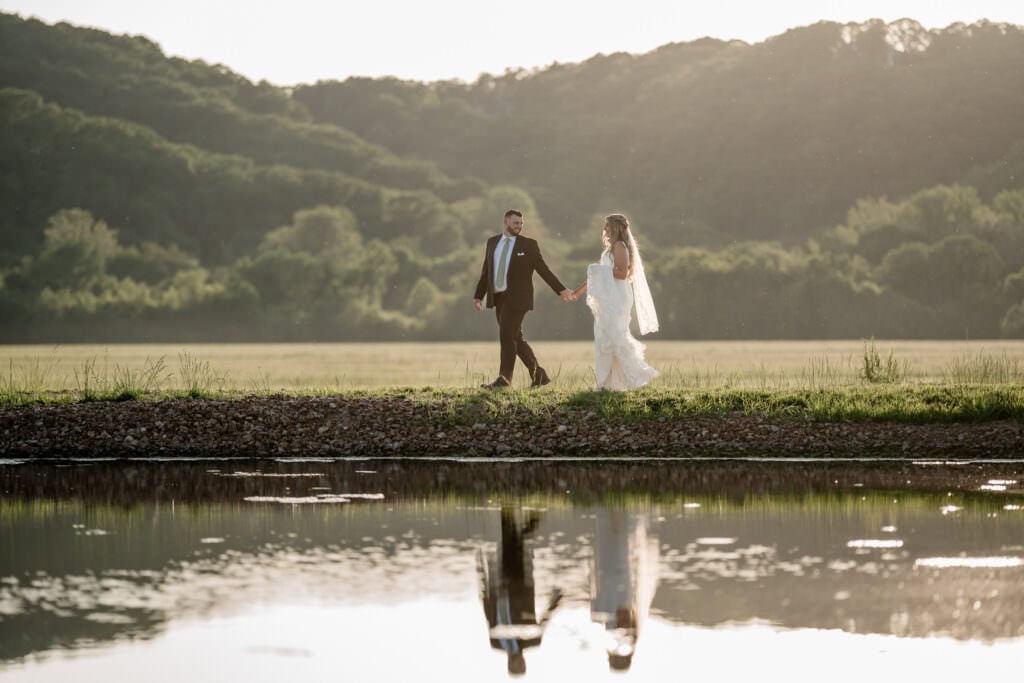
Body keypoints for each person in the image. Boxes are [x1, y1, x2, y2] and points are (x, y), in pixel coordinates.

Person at [474, 209, 575, 389]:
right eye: (515, 223)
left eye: (521, 224)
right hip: (499, 298)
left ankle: (504, 380)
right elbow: (486, 271)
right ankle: (539, 376)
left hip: (518, 299)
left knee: (506, 336)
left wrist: (561, 290)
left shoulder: (528, 245)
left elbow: (543, 269)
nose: (519, 227)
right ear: (505, 222)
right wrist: (478, 295)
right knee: (515, 338)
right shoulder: (492, 243)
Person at [572, 213, 659, 391]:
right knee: (605, 337)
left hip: (618, 297)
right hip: (608, 297)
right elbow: (598, 276)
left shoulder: (620, 246)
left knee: (615, 336)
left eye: (607, 226)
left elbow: (622, 274)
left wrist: (598, 270)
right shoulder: (610, 249)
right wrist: (578, 292)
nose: (604, 230)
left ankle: (638, 374)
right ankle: (608, 382)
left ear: (615, 228)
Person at [478, 506, 562, 677]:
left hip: (501, 585)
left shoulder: (496, 643)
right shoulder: (532, 641)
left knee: (511, 542)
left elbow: (489, 615)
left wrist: (483, 582)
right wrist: (556, 602)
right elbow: (544, 620)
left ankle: (513, 511)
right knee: (517, 543)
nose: (518, 662)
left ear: (509, 664)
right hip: (522, 586)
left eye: (516, 666)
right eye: (521, 665)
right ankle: (530, 512)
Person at [590, 506, 660, 672]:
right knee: (614, 537)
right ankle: (615, 509)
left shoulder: (613, 627)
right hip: (616, 575)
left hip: (612, 576)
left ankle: (613, 509)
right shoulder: (622, 630)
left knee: (610, 537)